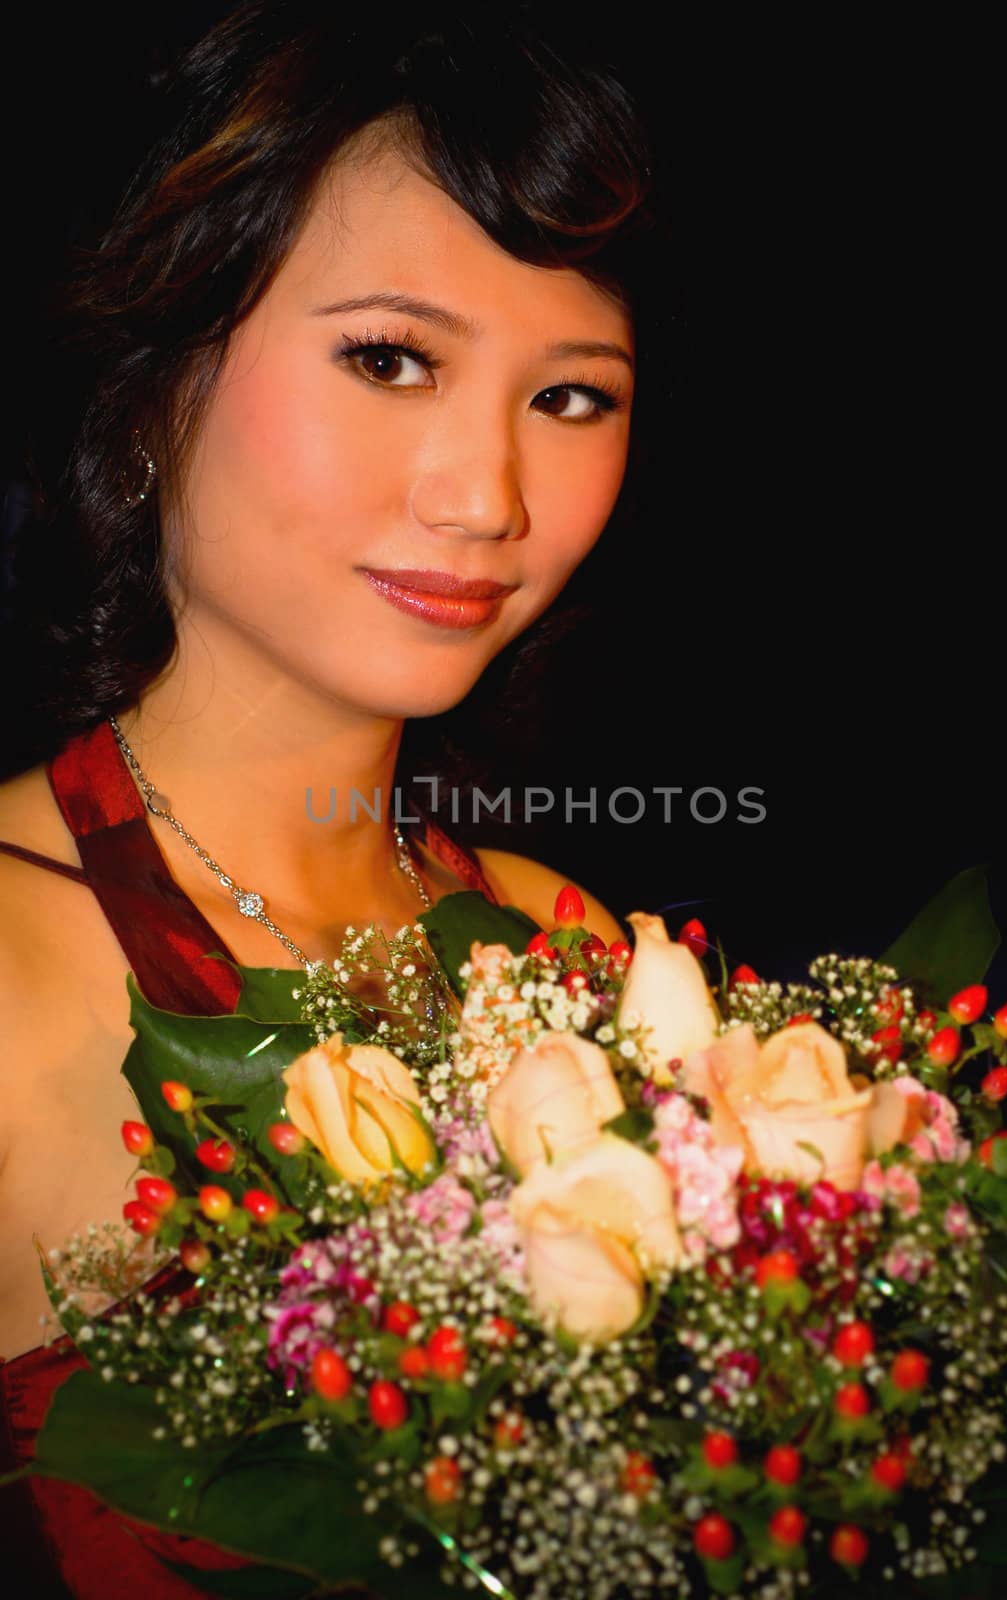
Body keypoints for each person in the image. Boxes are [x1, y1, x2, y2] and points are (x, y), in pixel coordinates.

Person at [0, 3, 657, 1591]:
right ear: (158, 376)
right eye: (388, 358)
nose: (486, 497)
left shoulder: (573, 947)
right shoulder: (14, 971)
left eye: (571, 396)